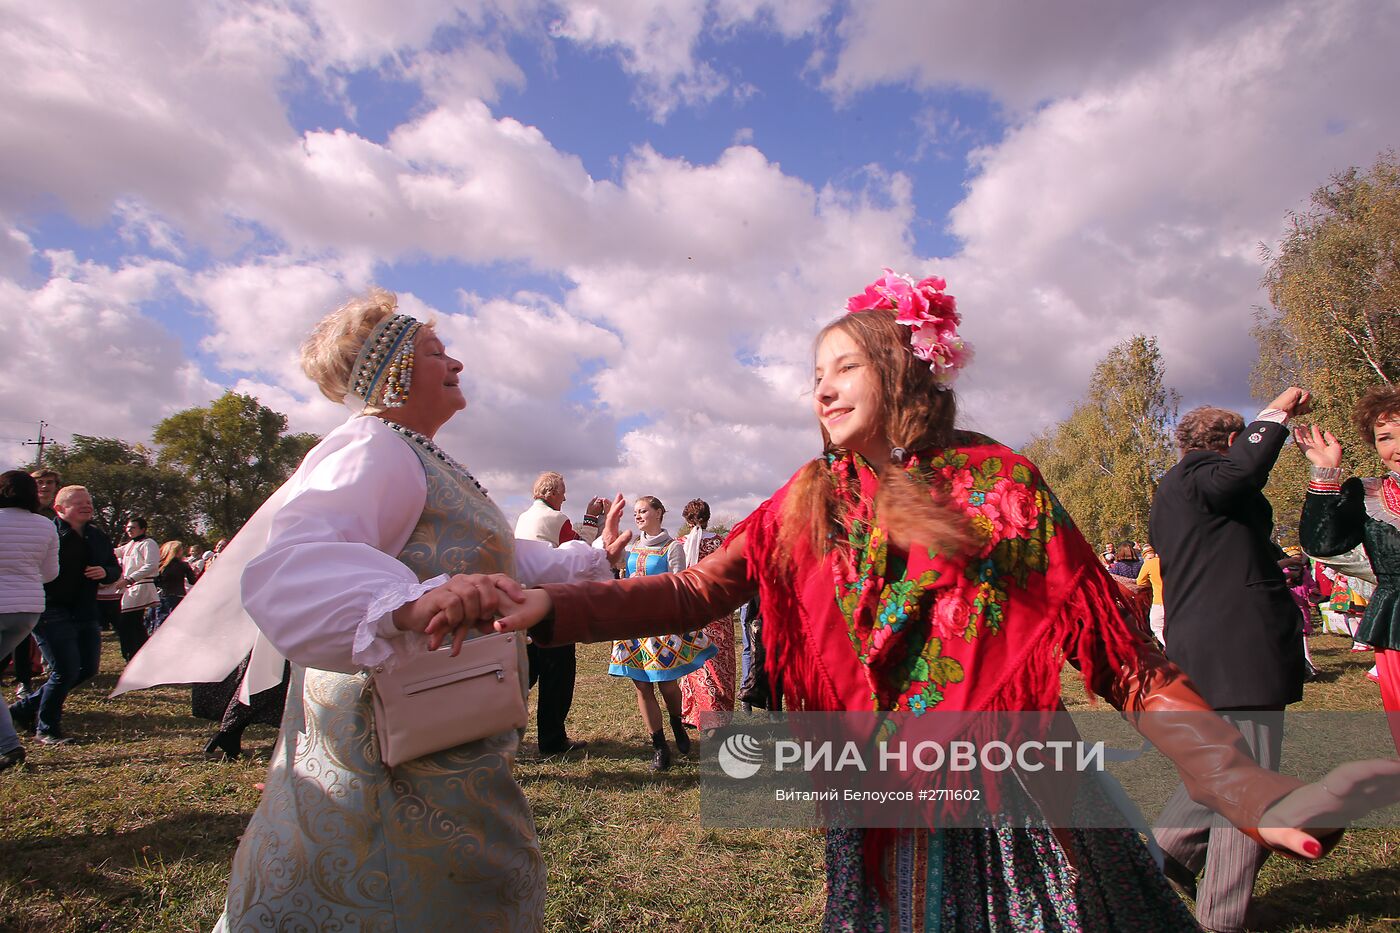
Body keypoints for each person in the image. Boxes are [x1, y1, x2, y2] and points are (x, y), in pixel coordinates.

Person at [490, 271, 1399, 931]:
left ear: (904, 367)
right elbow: (697, 589)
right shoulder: (806, 494)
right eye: (815, 371)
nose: (821, 385)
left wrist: (1234, 779)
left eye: (843, 364)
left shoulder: (997, 482)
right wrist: (550, 609)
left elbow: (1117, 650)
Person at [115, 287, 630, 930]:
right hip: (388, 728)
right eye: (439, 352)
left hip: (440, 717)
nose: (457, 364)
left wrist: (587, 558)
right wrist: (407, 604)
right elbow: (294, 564)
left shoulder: (418, 453)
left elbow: (492, 558)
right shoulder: (373, 447)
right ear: (395, 373)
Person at [1147, 393, 1312, 932]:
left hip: (1202, 647)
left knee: (1224, 771)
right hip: (1238, 651)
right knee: (1254, 784)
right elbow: (1240, 474)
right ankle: (1222, 917)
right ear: (1228, 443)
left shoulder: (1171, 488)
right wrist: (1279, 411)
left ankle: (1158, 866)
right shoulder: (1208, 476)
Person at [1294, 385, 1400, 751]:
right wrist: (1325, 472)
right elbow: (1322, 544)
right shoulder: (1368, 494)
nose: (1396, 448)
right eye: (1385, 438)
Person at [609, 495, 716, 770]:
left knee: (666, 684)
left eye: (643, 511)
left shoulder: (672, 548)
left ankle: (676, 724)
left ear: (658, 513)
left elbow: (679, 588)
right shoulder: (632, 547)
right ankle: (659, 745)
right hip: (633, 625)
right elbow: (621, 578)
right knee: (642, 685)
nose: (638, 516)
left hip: (660, 627)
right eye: (635, 512)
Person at [9, 485, 118, 745]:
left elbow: (115, 567)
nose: (86, 506)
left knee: (86, 669)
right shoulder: (49, 533)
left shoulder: (96, 536)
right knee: (65, 670)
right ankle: (46, 729)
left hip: (85, 611)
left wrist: (105, 572)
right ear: (59, 509)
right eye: (78, 502)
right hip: (51, 609)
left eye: (89, 501)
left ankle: (22, 710)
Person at [514, 470, 608, 755]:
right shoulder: (557, 519)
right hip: (551, 604)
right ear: (551, 493)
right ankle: (553, 740)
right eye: (562, 491)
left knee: (524, 673)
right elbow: (581, 550)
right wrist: (593, 518)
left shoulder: (522, 517)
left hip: (522, 603)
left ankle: (503, 733)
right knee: (558, 673)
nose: (565, 497)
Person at [0, 471, 60, 770]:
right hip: (27, 609)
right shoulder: (45, 525)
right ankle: (8, 744)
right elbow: (50, 574)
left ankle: (8, 743)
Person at [677, 498, 736, 726]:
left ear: (687, 518)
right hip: (718, 609)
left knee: (693, 658)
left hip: (690, 608)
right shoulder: (722, 543)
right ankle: (718, 711)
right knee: (717, 659)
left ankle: (693, 711)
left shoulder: (679, 543)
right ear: (708, 517)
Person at [115, 516, 159, 661]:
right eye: (127, 528)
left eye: (133, 528)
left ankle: (134, 654)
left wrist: (129, 579)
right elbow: (114, 552)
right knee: (134, 623)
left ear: (142, 529)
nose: (129, 530)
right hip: (132, 587)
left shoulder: (148, 543)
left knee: (128, 622)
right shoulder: (129, 545)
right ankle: (139, 654)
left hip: (141, 585)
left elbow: (151, 565)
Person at [149, 540, 198, 633]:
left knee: (160, 622)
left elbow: (155, 582)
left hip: (163, 596)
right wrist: (193, 572)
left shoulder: (160, 565)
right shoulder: (184, 565)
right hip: (179, 596)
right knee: (178, 623)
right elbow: (192, 581)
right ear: (177, 551)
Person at [1135, 544, 1166, 646]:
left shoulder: (1149, 564)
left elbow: (1140, 582)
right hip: (1176, 599)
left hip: (1159, 600)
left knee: (1156, 626)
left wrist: (1150, 582)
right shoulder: (1165, 560)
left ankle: (1170, 646)